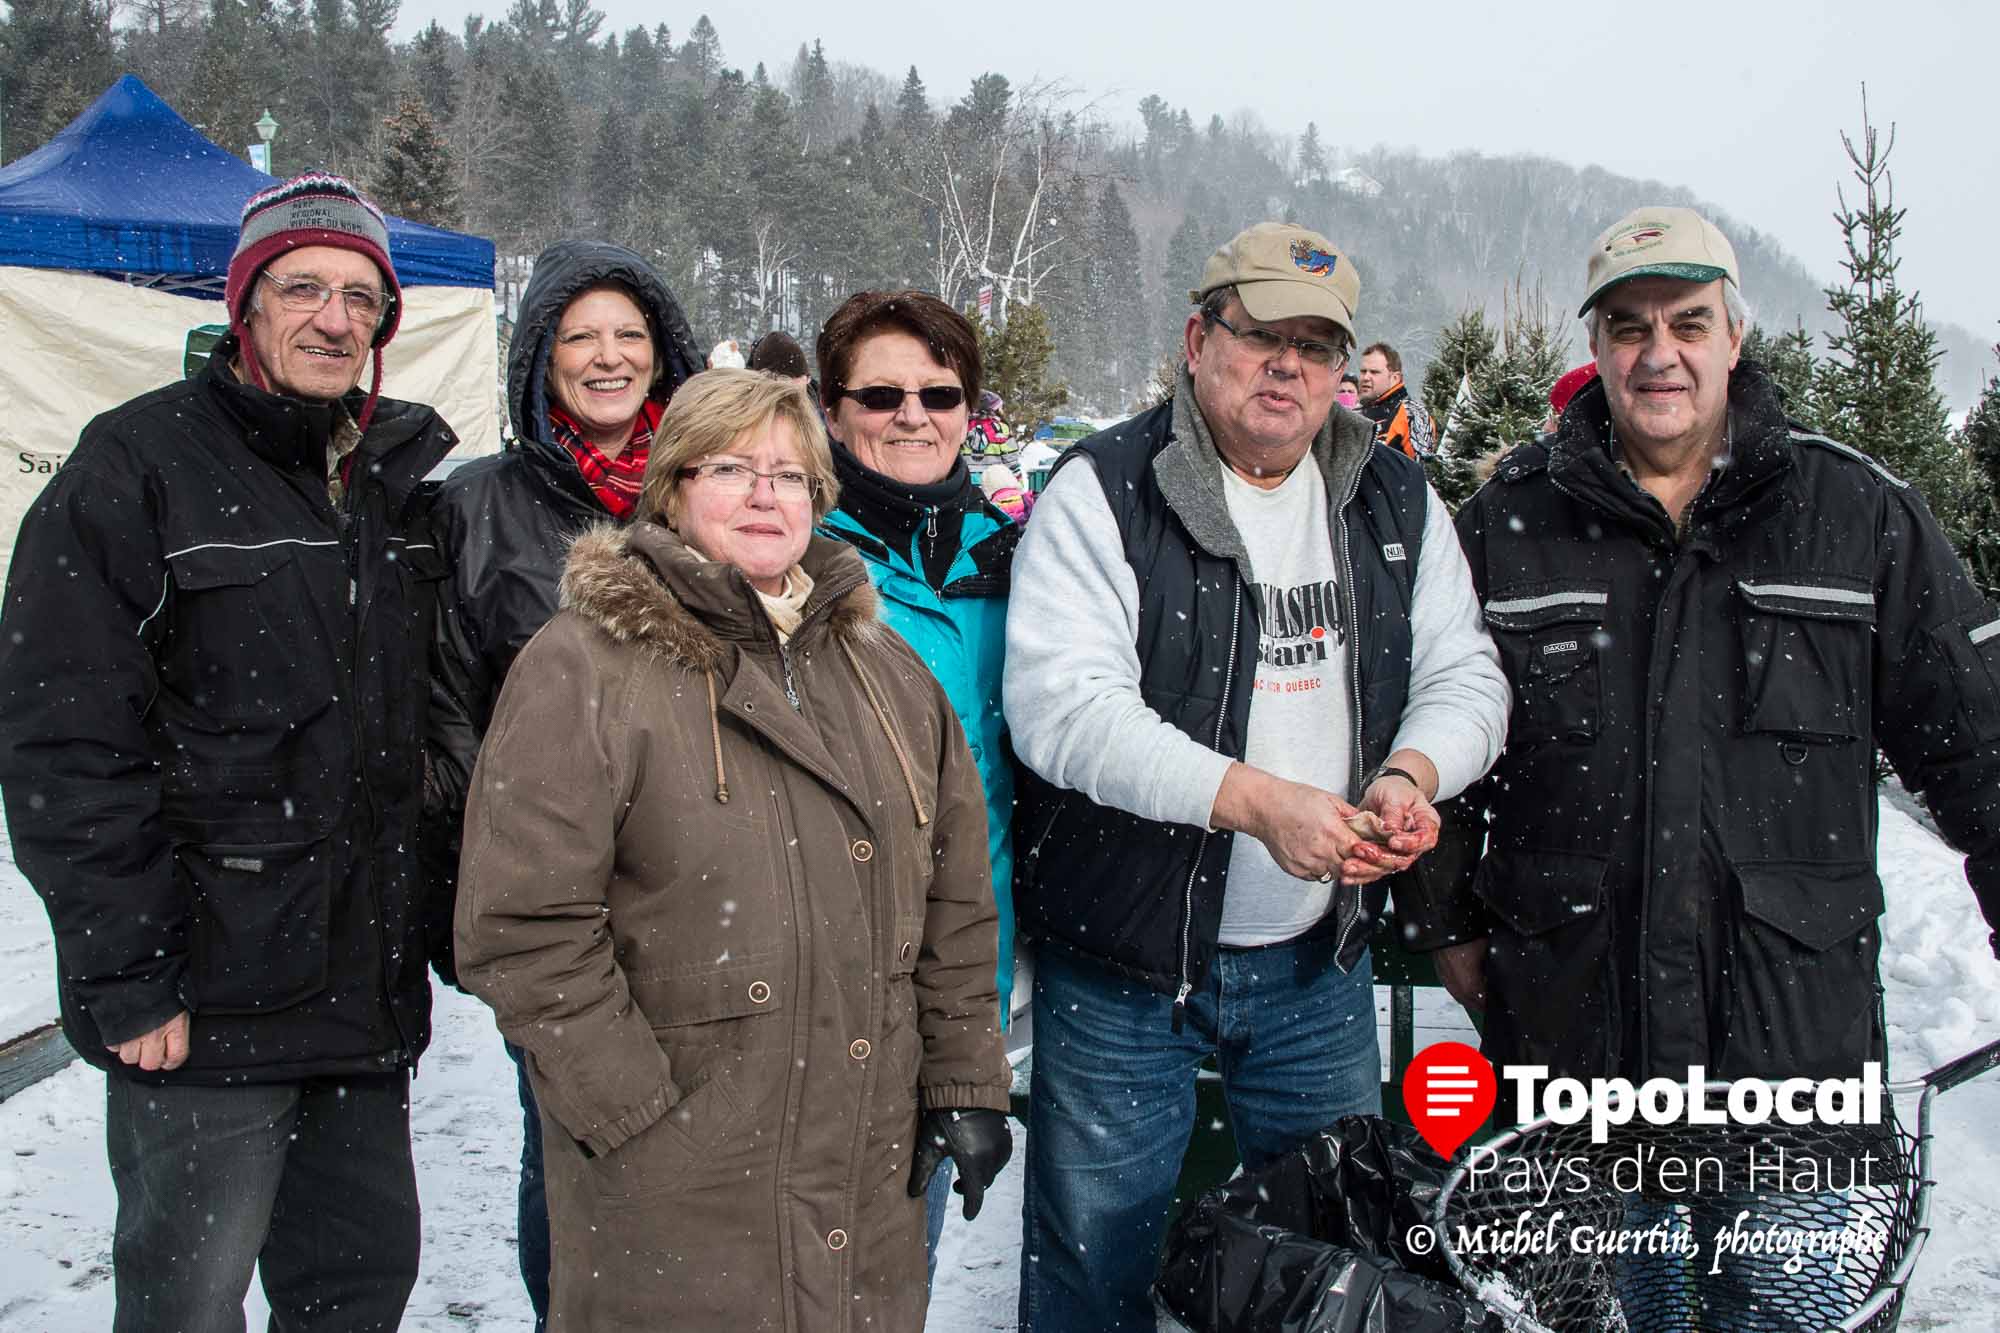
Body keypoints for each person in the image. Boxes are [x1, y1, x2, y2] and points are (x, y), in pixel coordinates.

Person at [1404, 205, 2000, 1322]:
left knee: (1781, 1313)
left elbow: (1976, 745)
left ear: (1733, 334)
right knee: (1594, 1315)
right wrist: (1444, 926)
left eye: (1686, 321)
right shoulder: (1506, 523)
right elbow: (1434, 739)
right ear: (1595, 349)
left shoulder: (1853, 514)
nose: (1656, 352)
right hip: (1571, 1040)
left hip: (1791, 1047)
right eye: (1626, 326)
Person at [1003, 221, 1510, 1332]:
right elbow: (1061, 710)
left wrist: (1411, 773)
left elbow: (1465, 672)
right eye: (1259, 336)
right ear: (1197, 339)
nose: (1288, 366)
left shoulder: (1391, 501)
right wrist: (1252, 802)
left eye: (1316, 347)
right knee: (1098, 1268)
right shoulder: (1105, 490)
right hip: (1126, 971)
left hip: (1310, 970)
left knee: (1332, 1268)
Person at [453, 369, 1013, 1331]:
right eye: (734, 468)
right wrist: (638, 1117)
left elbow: (955, 898)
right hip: (680, 1169)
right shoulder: (583, 663)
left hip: (863, 1158)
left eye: (792, 476)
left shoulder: (887, 673)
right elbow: (522, 926)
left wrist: (964, 1079)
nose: (767, 494)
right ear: (672, 488)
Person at [0, 172, 457, 1331]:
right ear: (245, 303)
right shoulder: (137, 465)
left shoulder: (397, 485)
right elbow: (65, 743)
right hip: (201, 1002)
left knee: (356, 1291)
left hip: (358, 998)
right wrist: (125, 976)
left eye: (362, 296)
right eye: (302, 287)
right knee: (186, 1304)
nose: (334, 318)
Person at [424, 238, 703, 1330]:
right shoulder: (477, 508)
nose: (607, 357)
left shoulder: (705, 492)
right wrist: (470, 903)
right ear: (538, 359)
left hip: (701, 890)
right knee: (580, 1146)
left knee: (708, 1150)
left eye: (629, 334)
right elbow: (447, 718)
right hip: (562, 904)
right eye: (580, 335)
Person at [813, 289, 1022, 1280]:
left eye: (938, 394)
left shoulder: (1012, 563)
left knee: (893, 1277)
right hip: (812, 991)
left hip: (947, 994)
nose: (912, 415)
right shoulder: (790, 561)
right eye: (881, 393)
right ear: (831, 409)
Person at [1355, 341, 1435, 457]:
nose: (1366, 377)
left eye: (1374, 372)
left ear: (1395, 378)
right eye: (1363, 371)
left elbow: (1421, 469)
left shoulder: (1412, 414)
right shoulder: (1358, 411)